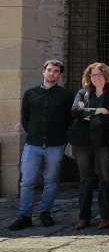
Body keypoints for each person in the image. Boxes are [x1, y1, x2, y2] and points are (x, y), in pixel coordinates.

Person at [8, 60, 73, 231]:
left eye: (56, 71)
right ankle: (24, 215)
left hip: (55, 145)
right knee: (26, 182)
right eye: (49, 70)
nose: (52, 73)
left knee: (50, 181)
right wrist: (34, 133)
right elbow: (25, 118)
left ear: (59, 75)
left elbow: (69, 120)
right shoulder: (30, 94)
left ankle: (45, 213)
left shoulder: (65, 95)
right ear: (43, 72)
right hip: (33, 145)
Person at [71, 62, 109, 230]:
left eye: (100, 74)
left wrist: (88, 112)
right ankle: (84, 217)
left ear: (106, 76)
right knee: (85, 179)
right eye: (93, 75)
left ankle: (106, 216)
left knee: (106, 177)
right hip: (83, 141)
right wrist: (99, 111)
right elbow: (76, 111)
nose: (96, 78)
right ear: (88, 77)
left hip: (104, 142)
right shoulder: (82, 93)